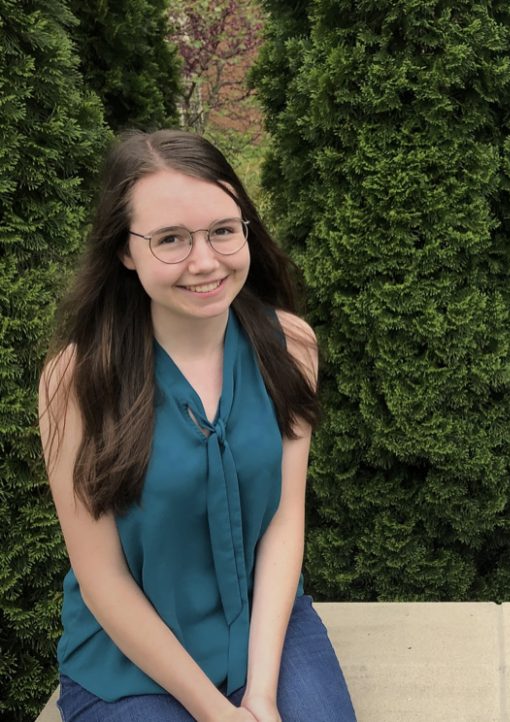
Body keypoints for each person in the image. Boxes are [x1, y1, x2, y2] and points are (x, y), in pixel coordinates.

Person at [39, 130, 358, 722]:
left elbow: (284, 520)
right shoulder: (76, 381)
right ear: (125, 251)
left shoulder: (291, 347)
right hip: (128, 660)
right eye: (170, 240)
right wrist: (215, 710)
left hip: (266, 627)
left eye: (222, 230)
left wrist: (260, 692)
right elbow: (102, 577)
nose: (205, 261)